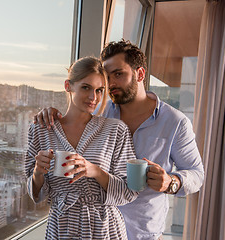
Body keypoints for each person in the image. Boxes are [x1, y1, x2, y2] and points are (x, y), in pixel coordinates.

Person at [34, 40, 204, 240]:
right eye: (106, 76)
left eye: (118, 74)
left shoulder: (175, 122)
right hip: (99, 232)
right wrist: (51, 113)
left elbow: (197, 175)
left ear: (140, 74)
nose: (110, 83)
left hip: (142, 234)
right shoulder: (99, 111)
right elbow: (72, 120)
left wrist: (170, 182)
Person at [24, 56, 138, 239]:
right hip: (61, 227)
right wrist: (38, 172)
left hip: (105, 229)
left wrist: (94, 170)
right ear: (68, 86)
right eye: (86, 87)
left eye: (100, 90)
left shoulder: (116, 130)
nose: (94, 97)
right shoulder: (41, 130)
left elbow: (129, 191)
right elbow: (35, 195)